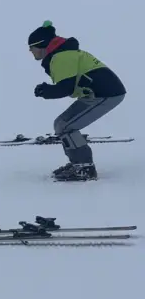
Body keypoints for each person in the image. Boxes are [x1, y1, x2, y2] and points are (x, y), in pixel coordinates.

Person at [28, 22, 127, 181]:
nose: (30, 51)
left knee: (66, 125)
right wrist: (47, 90)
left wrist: (46, 91)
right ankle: (77, 164)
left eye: (31, 47)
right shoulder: (61, 54)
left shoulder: (61, 56)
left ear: (40, 45)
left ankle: (84, 168)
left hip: (107, 93)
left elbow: (65, 88)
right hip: (96, 93)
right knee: (61, 123)